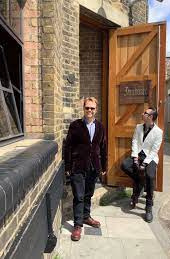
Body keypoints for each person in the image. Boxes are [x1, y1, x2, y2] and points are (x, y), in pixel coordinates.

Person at [64, 97, 107, 241]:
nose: (89, 110)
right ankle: (77, 225)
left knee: (88, 193)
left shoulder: (100, 127)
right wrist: (68, 166)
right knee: (79, 196)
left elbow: (103, 148)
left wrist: (103, 166)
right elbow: (68, 147)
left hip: (93, 166)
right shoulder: (75, 125)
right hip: (78, 166)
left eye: (92, 108)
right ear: (83, 108)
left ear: (96, 109)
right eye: (87, 107)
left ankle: (86, 216)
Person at [121, 107, 163, 223]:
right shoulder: (139, 127)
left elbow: (154, 150)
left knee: (150, 176)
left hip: (150, 157)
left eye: (145, 113)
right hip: (138, 154)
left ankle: (148, 207)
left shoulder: (158, 132)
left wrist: (144, 163)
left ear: (150, 117)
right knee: (124, 165)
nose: (142, 114)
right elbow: (134, 141)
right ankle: (141, 182)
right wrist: (134, 157)